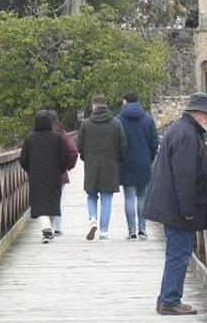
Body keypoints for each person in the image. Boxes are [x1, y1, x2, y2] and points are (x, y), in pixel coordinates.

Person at [145, 92, 207, 315]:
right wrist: (187, 211)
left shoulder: (181, 129)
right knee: (179, 253)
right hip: (178, 207)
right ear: (200, 114)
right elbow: (184, 176)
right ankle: (170, 300)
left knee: (176, 252)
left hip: (170, 204)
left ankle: (166, 297)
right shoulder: (187, 134)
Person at [20, 110, 76, 243]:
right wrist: (61, 170)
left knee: (39, 203)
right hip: (54, 175)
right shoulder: (57, 137)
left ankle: (46, 229)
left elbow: (23, 159)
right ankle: (48, 229)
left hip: (36, 176)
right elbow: (65, 157)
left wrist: (30, 170)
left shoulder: (30, 138)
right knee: (52, 202)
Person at [76, 95, 127, 241]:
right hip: (110, 166)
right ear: (106, 105)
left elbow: (79, 146)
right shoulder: (116, 123)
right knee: (106, 199)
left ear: (93, 106)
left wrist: (86, 157)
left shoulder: (86, 124)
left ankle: (93, 219)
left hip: (91, 165)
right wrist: (117, 159)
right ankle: (104, 232)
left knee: (91, 195)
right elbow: (123, 146)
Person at [117, 92, 158, 241]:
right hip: (143, 163)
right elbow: (154, 143)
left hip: (126, 163)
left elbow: (116, 144)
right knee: (142, 197)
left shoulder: (119, 120)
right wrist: (150, 159)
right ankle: (142, 230)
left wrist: (119, 159)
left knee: (129, 197)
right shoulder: (148, 120)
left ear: (125, 102)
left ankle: (131, 231)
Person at [53, 121, 79, 237]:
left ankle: (47, 227)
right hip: (60, 173)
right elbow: (73, 151)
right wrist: (68, 166)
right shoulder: (64, 136)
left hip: (43, 173)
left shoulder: (40, 135)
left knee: (45, 199)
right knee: (58, 200)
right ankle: (57, 228)